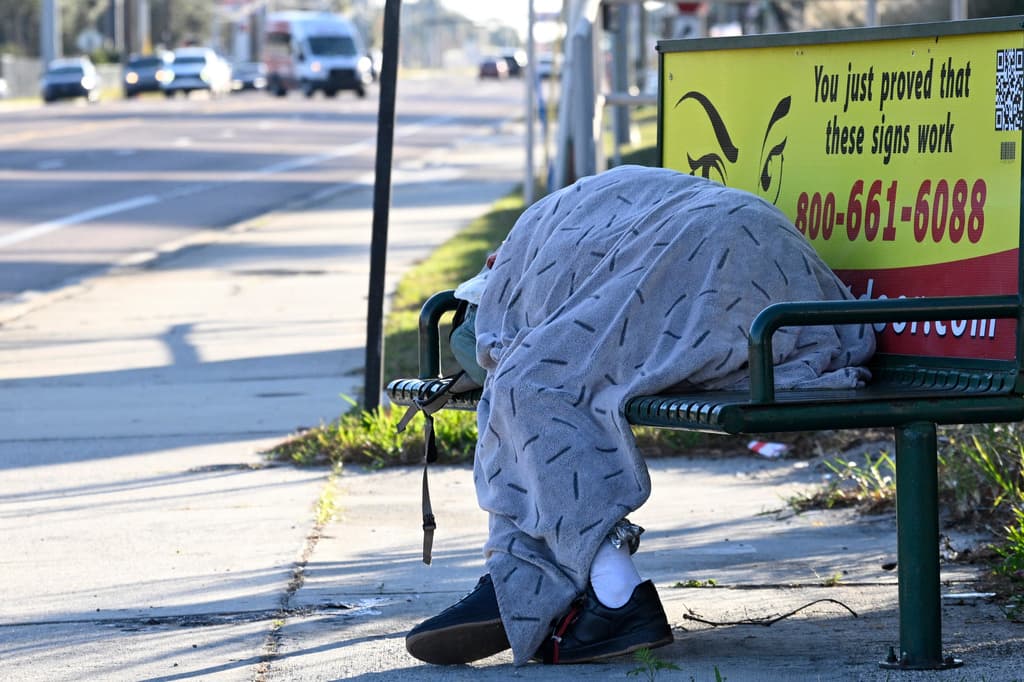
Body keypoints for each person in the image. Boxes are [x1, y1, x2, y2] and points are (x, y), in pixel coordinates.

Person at [404, 165, 876, 666]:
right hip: (788, 296)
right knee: (525, 381)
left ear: (492, 274)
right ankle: (521, 579)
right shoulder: (570, 218)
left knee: (530, 385)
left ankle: (610, 595)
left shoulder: (528, 264)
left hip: (710, 270)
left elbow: (513, 360)